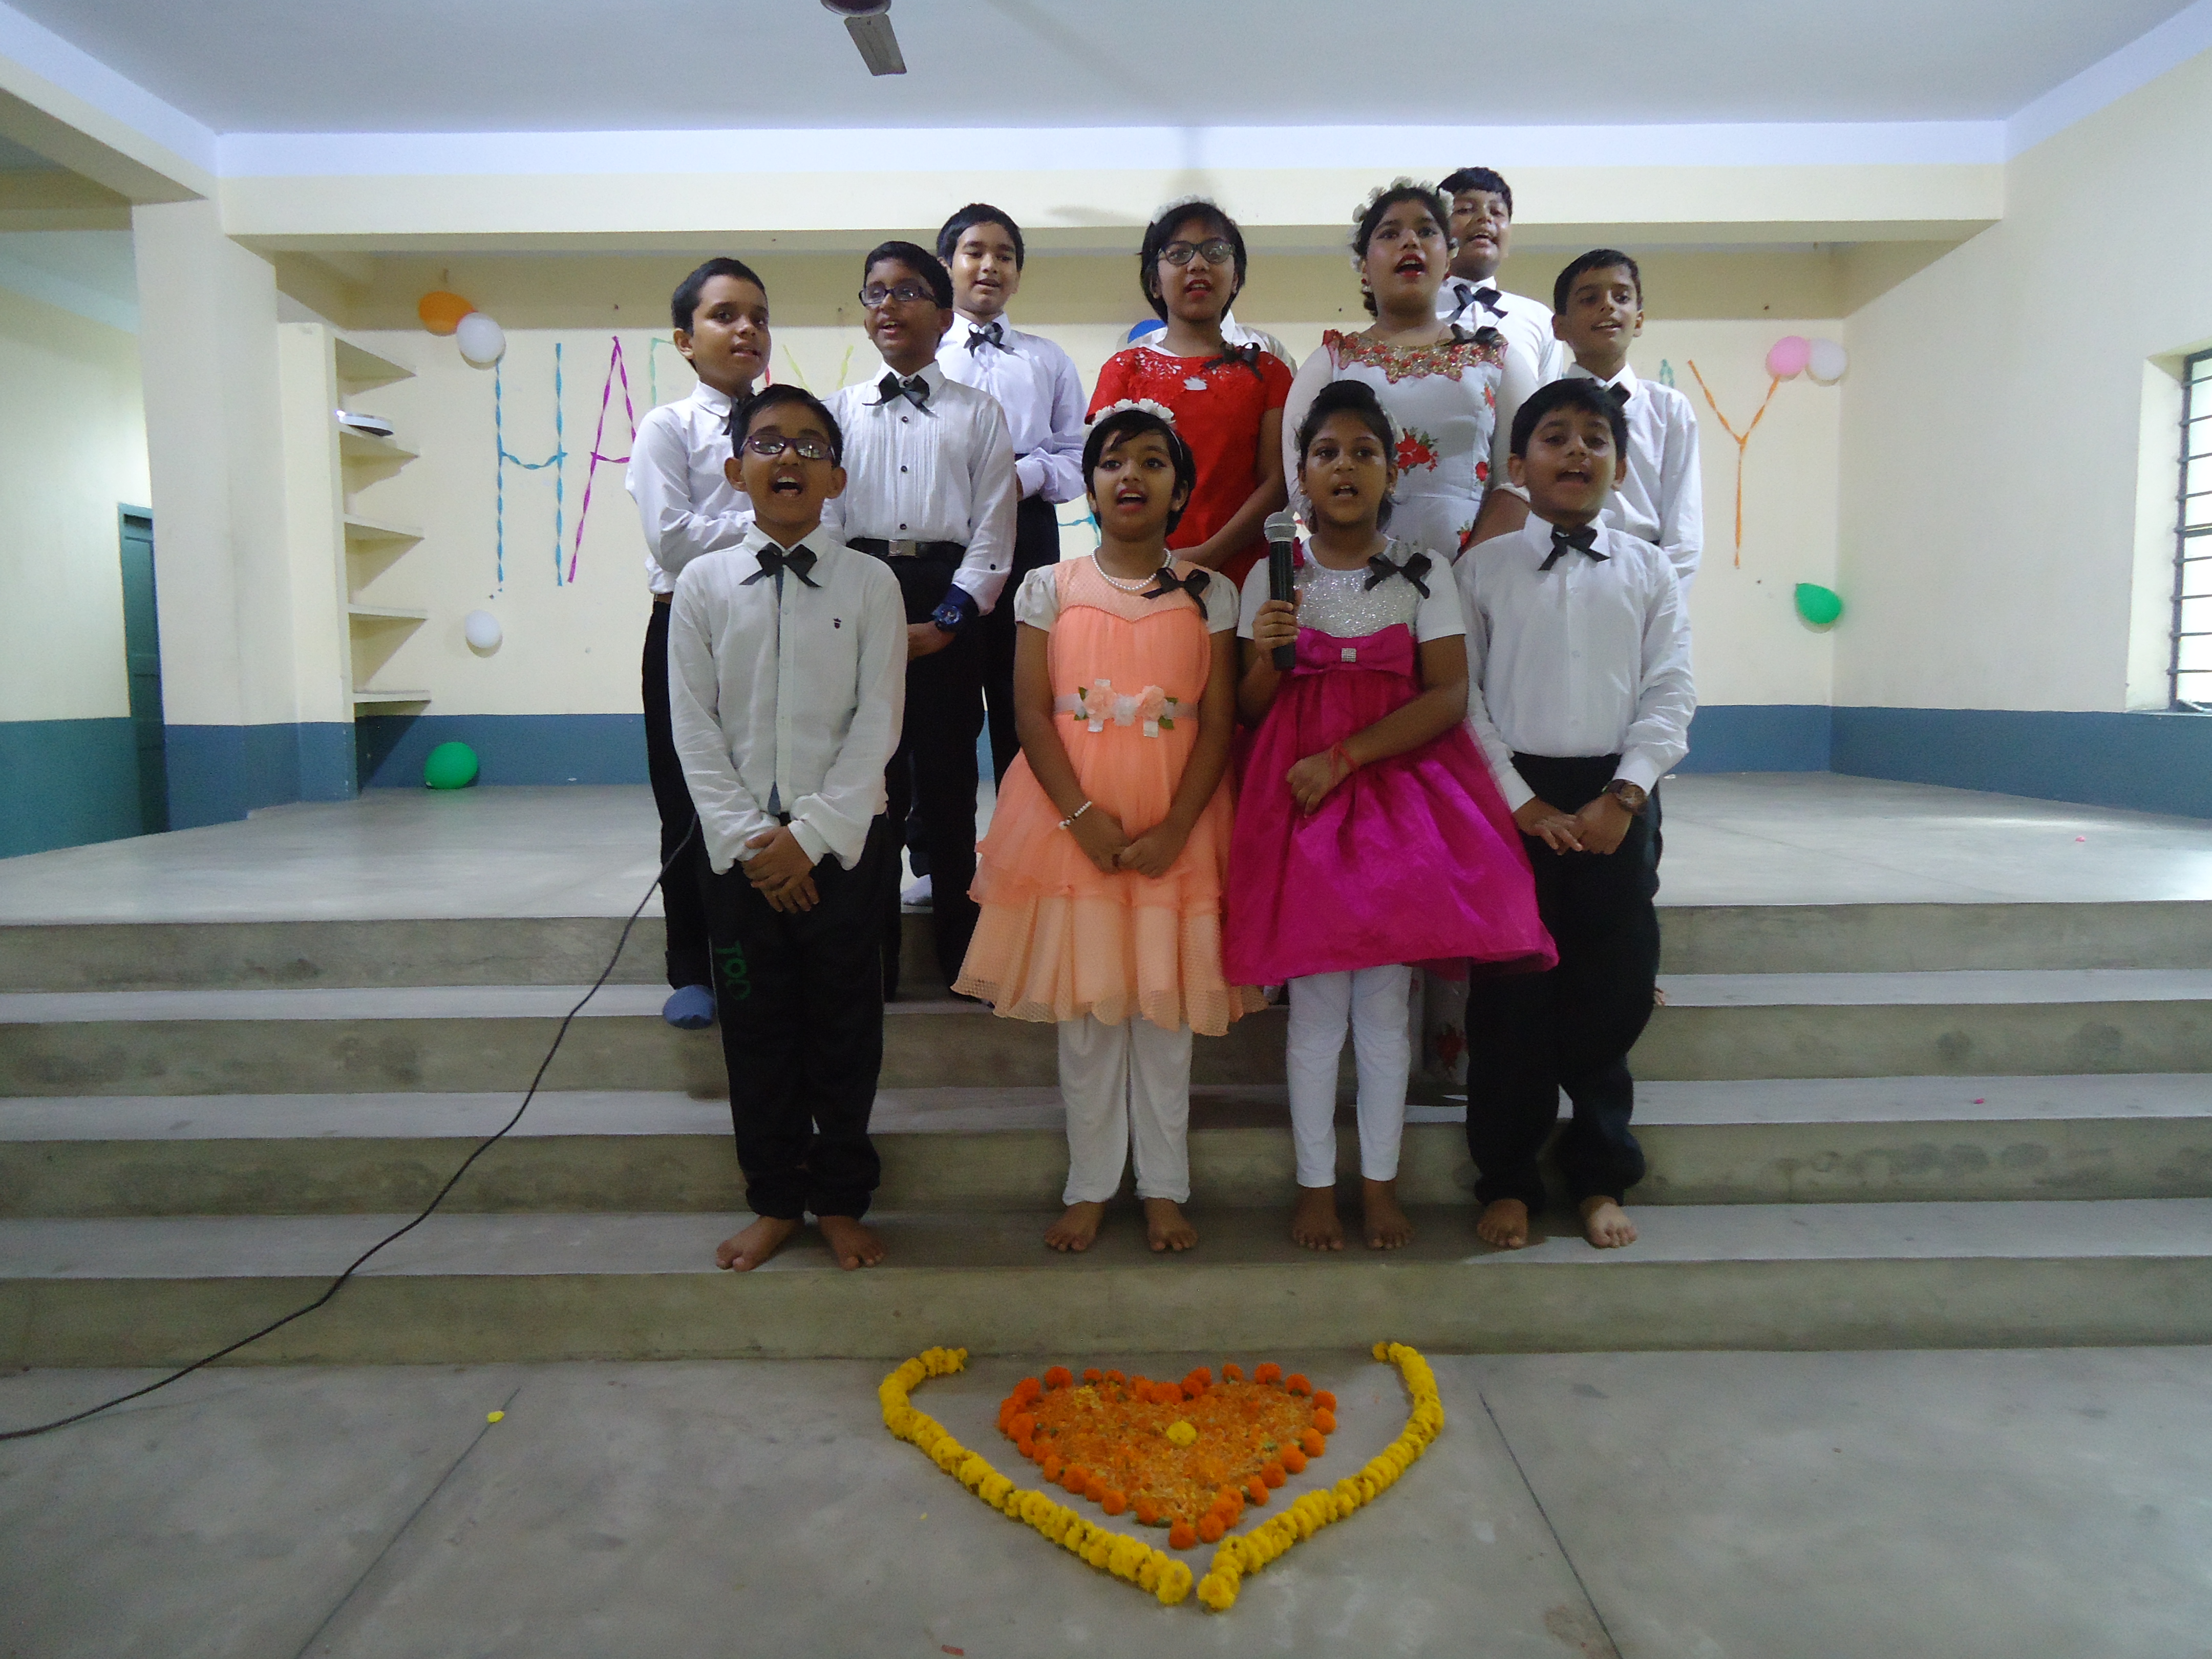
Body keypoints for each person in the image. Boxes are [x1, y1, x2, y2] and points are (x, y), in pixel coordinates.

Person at [1227, 380, 1553, 1253]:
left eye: (1364, 452)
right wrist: (1266, 656)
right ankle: (1315, 1187)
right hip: (1297, 806)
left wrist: (1347, 758)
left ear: (1392, 472)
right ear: (1302, 475)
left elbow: (1446, 694)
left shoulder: (1423, 571)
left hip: (1393, 807)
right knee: (1314, 1012)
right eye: (1326, 453)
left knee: (1382, 1010)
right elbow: (1249, 708)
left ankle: (1379, 1186)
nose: (1345, 467)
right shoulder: (1273, 573)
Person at [953, 400, 1258, 1255]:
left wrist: (1177, 827)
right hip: (1069, 824)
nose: (1132, 476)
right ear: (1088, 487)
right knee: (1088, 1017)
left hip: (1177, 823)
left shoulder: (1211, 593)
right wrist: (1082, 818)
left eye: (1154, 463)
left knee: (1165, 1016)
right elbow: (1030, 713)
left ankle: (1164, 1188)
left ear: (1180, 491)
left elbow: (1218, 722)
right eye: (1114, 462)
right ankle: (1089, 1185)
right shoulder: (1048, 587)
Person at [666, 385, 907, 1273]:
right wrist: (750, 843)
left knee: (846, 1030)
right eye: (769, 442)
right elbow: (693, 728)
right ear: (737, 470)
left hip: (841, 851)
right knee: (756, 1032)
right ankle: (774, 1198)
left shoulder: (871, 584)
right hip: (740, 862)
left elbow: (878, 722)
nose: (790, 457)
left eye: (811, 444)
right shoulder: (701, 586)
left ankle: (839, 1197)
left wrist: (808, 838)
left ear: (837, 477)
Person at [1455, 378, 1694, 1252]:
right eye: (1554, 437)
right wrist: (1518, 801)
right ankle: (1509, 1178)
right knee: (1510, 999)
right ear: (1519, 466)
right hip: (1512, 800)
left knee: (1611, 989)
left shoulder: (1650, 569)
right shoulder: (1481, 571)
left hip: (1617, 798)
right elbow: (1464, 698)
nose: (1577, 452)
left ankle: (1599, 1174)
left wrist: (1626, 795)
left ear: (1620, 468)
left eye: (1596, 439)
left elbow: (1671, 690)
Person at [822, 241, 1018, 1001]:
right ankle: (871, 963)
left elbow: (994, 534)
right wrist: (860, 623)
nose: (888, 306)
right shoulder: (839, 413)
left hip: (948, 596)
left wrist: (946, 622)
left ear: (942, 316)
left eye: (907, 292)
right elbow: (826, 526)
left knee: (946, 789)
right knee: (870, 789)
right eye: (875, 293)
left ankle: (963, 958)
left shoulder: (980, 413)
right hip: (861, 593)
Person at [625, 257, 770, 1029]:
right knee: (686, 802)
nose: (746, 329)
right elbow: (672, 540)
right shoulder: (668, 428)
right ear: (685, 339)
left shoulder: (783, 426)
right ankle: (691, 967)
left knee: (762, 794)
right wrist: (768, 524)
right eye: (724, 315)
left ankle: (758, 957)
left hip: (768, 628)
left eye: (758, 316)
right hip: (684, 628)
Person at [1282, 181, 1515, 569]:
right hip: (1357, 579)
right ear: (1364, 266)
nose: (1410, 241)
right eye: (1390, 233)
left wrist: (1466, 575)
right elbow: (1301, 481)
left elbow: (1517, 482)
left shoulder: (1495, 358)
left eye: (1426, 231)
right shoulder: (1331, 362)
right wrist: (1353, 565)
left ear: (1448, 260)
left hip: (1475, 579)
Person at [933, 203, 1089, 786]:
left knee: (1021, 684)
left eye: (1004, 256)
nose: (989, 266)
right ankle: (938, 840)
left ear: (1018, 275)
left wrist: (1024, 477)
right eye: (974, 252)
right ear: (946, 265)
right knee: (945, 687)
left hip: (1028, 528)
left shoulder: (1047, 358)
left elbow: (1076, 457)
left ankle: (1024, 829)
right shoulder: (927, 355)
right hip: (947, 529)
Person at [1088, 199, 1291, 587]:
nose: (1198, 265)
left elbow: (1277, 483)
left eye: (1215, 251)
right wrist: (1151, 557)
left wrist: (1209, 554)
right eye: (1179, 253)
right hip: (1143, 572)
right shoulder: (1125, 369)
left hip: (1244, 576)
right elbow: (1103, 476)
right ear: (1154, 282)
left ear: (1236, 277)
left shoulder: (1269, 373)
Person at [1553, 248, 1703, 591]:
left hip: (1645, 577)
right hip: (1557, 572)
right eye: (1589, 299)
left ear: (1639, 320)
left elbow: (1685, 529)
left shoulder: (1669, 409)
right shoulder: (1541, 410)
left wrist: (1662, 603)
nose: (1608, 306)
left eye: (1621, 297)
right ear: (1560, 326)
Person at [1434, 166, 1565, 545]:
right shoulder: (1418, 314)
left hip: (1518, 507)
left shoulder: (1537, 319)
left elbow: (1546, 415)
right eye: (1465, 209)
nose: (1484, 219)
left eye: (1497, 212)